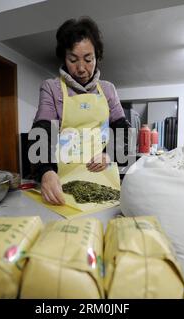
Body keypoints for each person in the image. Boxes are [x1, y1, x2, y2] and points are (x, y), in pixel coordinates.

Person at [30, 17, 131, 205]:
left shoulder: (108, 90)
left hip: (104, 178)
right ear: (64, 58)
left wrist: (110, 154)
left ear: (97, 56)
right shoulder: (52, 88)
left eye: (88, 59)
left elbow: (124, 132)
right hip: (62, 181)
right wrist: (46, 171)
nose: (81, 68)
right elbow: (41, 133)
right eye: (73, 59)